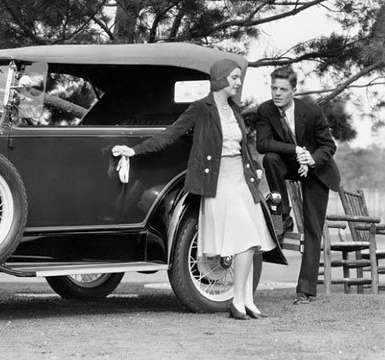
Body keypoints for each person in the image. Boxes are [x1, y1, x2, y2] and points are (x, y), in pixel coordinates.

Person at [113, 58, 278, 320]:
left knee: (251, 242)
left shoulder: (233, 110)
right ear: (220, 79)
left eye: (238, 78)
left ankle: (246, 300)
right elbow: (170, 135)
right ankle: (238, 302)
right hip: (220, 180)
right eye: (233, 78)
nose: (237, 82)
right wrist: (134, 150)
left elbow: (243, 146)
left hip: (242, 179)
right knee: (246, 240)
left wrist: (255, 167)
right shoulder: (201, 109)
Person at [255, 66, 340, 305]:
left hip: (316, 170)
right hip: (290, 164)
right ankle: (283, 214)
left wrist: (311, 159)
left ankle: (305, 291)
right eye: (274, 88)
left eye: (283, 89)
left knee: (313, 228)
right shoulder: (265, 111)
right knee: (270, 159)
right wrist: (295, 151)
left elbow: (328, 146)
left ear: (294, 90)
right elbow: (263, 144)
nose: (277, 93)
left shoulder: (312, 111)